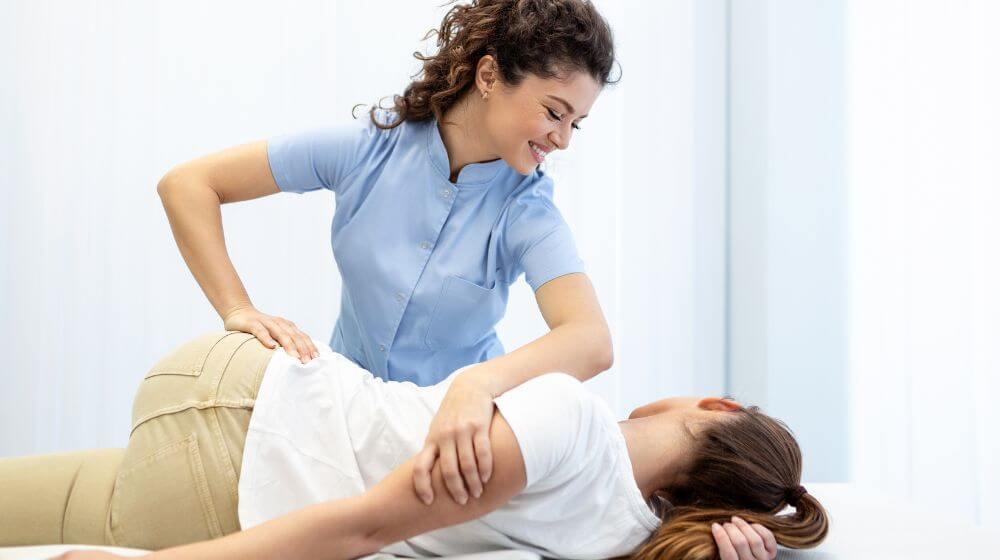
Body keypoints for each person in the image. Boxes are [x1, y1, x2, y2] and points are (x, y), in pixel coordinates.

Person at [156, 0, 618, 512]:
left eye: (577, 123)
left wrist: (477, 384)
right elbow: (189, 185)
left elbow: (590, 340)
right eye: (555, 112)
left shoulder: (527, 208)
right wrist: (237, 309)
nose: (563, 139)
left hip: (456, 446)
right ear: (489, 74)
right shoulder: (367, 151)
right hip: (339, 427)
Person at [1, 331, 828, 560]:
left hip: (241, 424)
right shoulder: (622, 537)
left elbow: (365, 526)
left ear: (717, 406)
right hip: (229, 456)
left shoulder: (569, 421)